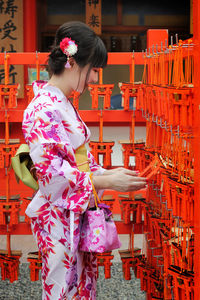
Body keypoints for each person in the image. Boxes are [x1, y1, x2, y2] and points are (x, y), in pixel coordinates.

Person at [22, 21, 147, 300]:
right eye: (94, 69)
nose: (94, 79)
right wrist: (106, 180)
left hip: (72, 213)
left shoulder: (62, 103)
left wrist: (114, 174)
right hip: (58, 216)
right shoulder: (42, 108)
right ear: (74, 63)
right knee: (62, 289)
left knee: (81, 286)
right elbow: (51, 176)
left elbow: (82, 161)